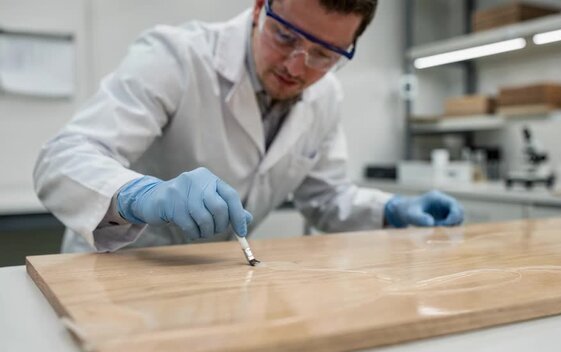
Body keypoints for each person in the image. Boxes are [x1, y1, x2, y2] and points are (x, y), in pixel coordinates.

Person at [34, 0, 464, 253]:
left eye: (325, 54)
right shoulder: (176, 56)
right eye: (286, 37)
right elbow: (63, 157)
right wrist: (139, 195)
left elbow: (326, 198)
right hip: (118, 271)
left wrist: (390, 210)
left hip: (219, 281)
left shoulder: (326, 95)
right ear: (260, 7)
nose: (298, 67)